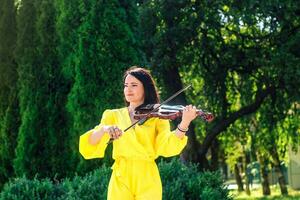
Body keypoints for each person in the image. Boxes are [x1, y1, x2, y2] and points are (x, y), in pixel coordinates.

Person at [79, 66, 198, 200]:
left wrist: (185, 123)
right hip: (121, 175)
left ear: (145, 89)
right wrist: (104, 129)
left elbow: (167, 147)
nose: (128, 89)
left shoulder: (157, 116)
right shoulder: (112, 115)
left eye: (134, 85)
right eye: (126, 85)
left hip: (147, 176)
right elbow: (89, 146)